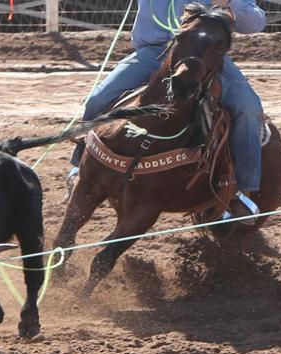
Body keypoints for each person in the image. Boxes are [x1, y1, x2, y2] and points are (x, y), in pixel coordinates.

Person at [69, 0, 266, 220]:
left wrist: (231, 3)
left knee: (248, 108)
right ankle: (79, 167)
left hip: (202, 55)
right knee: (98, 99)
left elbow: (255, 23)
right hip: (154, 52)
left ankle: (242, 191)